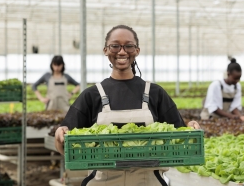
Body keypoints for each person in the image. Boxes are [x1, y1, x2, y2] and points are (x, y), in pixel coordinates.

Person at [54, 25, 200, 186]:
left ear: (137, 50)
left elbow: (180, 139)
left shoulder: (155, 93)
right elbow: (65, 147)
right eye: (115, 46)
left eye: (128, 46)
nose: (122, 52)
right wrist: (60, 135)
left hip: (148, 181)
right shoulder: (92, 95)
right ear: (106, 50)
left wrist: (190, 129)